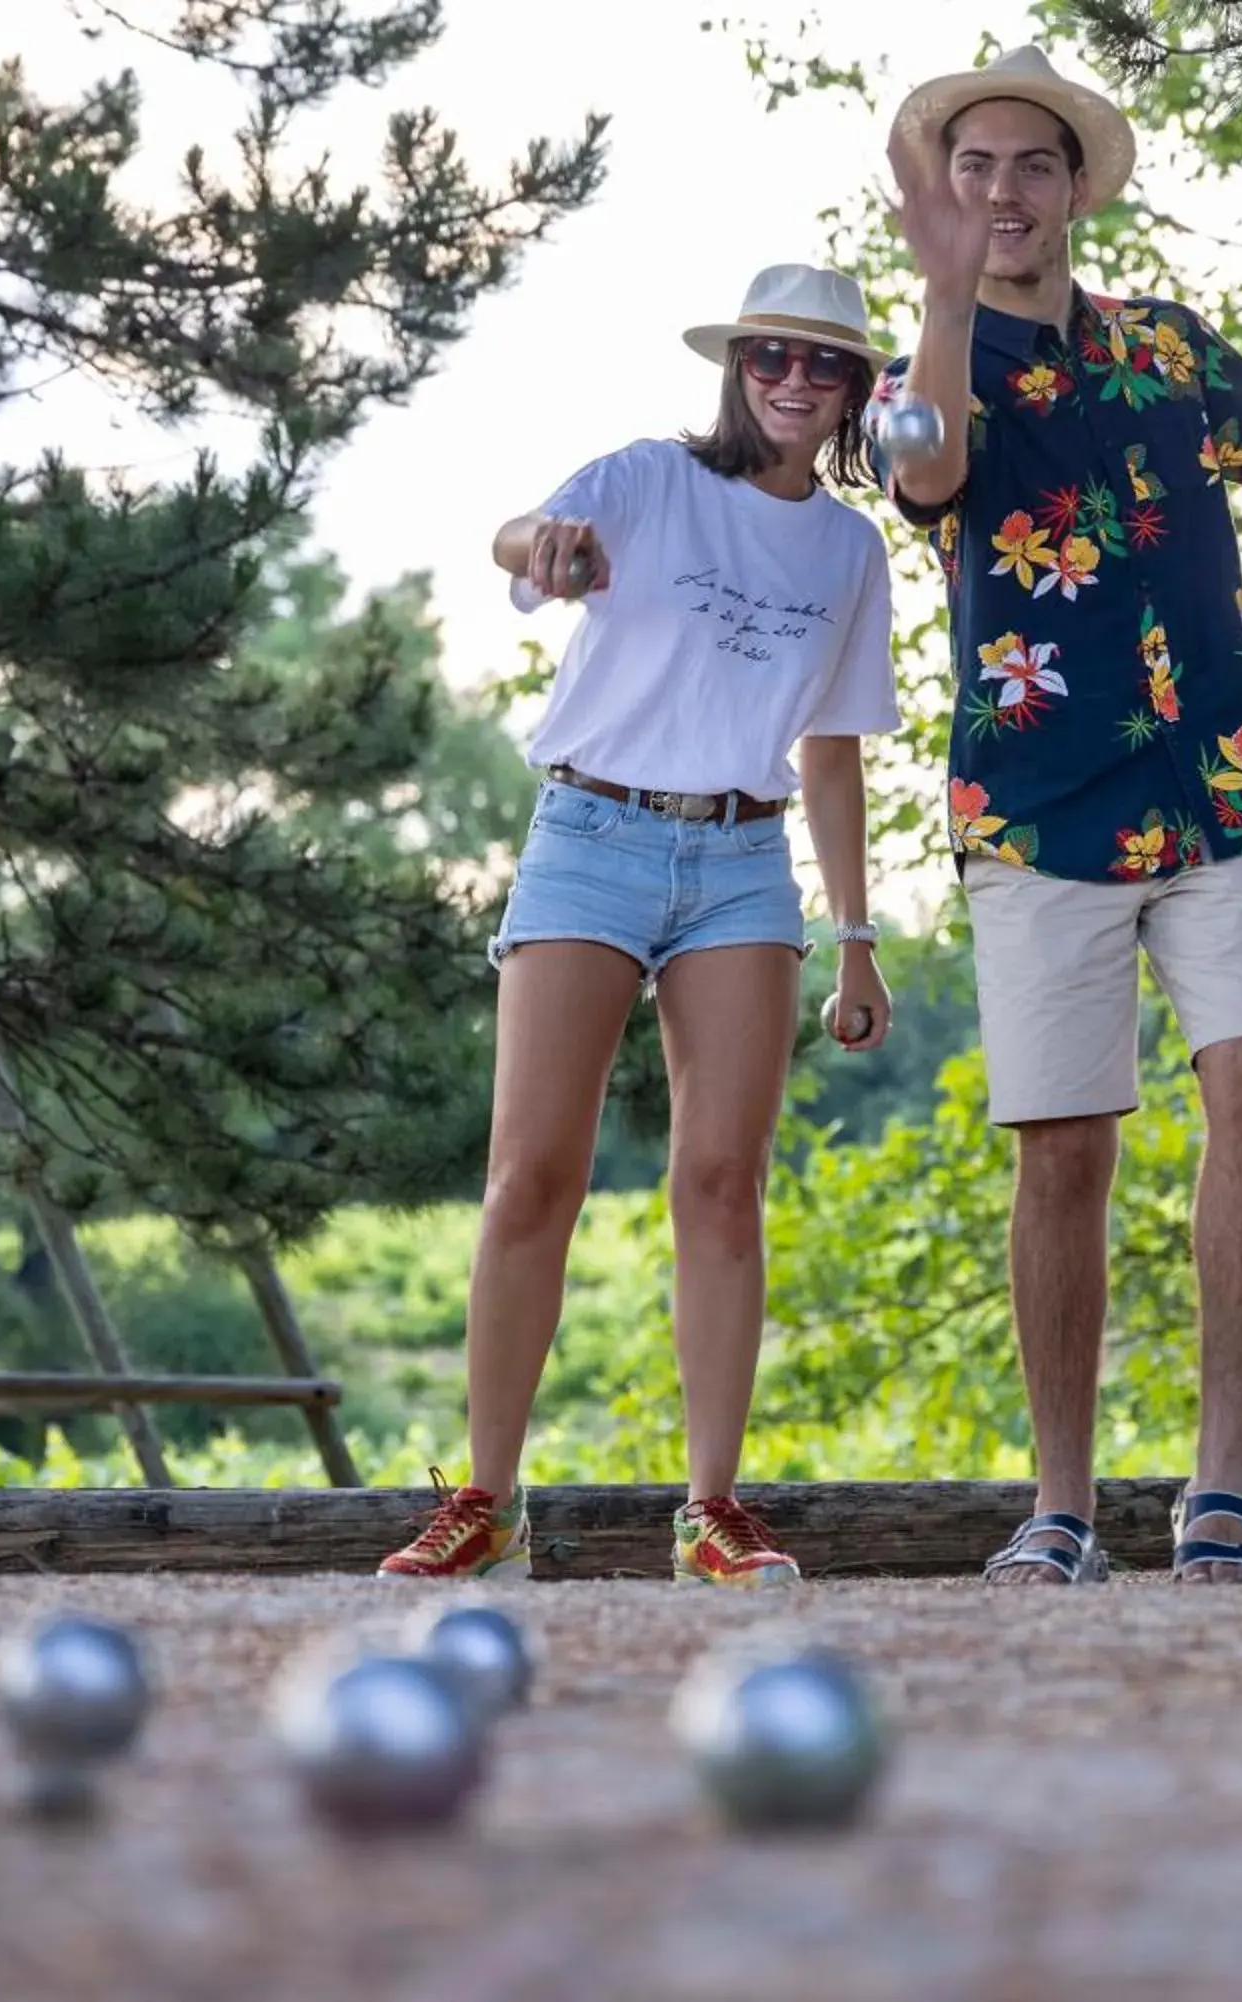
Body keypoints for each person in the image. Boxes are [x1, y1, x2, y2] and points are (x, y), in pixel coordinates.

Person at [873, 48, 1242, 1584]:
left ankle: (1221, 1490)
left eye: (1030, 166)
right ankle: (1062, 1505)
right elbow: (928, 478)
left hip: (1219, 778)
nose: (1001, 191)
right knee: (1068, 1152)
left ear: (1074, 189)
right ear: (941, 193)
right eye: (971, 167)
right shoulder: (925, 368)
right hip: (1038, 804)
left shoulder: (1168, 346)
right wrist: (939, 297)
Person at [378, 264, 903, 1588]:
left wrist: (856, 935)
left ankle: (712, 1508)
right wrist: (537, 549)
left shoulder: (849, 549)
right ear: (738, 366)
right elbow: (523, 534)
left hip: (742, 858)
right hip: (593, 839)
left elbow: (834, 749)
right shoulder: (647, 479)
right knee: (530, 1175)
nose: (793, 381)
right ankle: (482, 1499)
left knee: (724, 1184)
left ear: (852, 391)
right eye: (771, 356)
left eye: (823, 365)